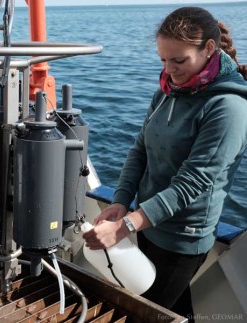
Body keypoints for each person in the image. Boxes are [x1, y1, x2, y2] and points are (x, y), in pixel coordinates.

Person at [83, 7, 247, 321]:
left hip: (182, 238)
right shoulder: (168, 92)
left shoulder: (229, 107)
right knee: (175, 309)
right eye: (163, 60)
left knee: (144, 314)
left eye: (179, 60)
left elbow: (193, 182)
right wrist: (120, 202)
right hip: (148, 225)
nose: (169, 70)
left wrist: (127, 225)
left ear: (209, 49)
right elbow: (140, 149)